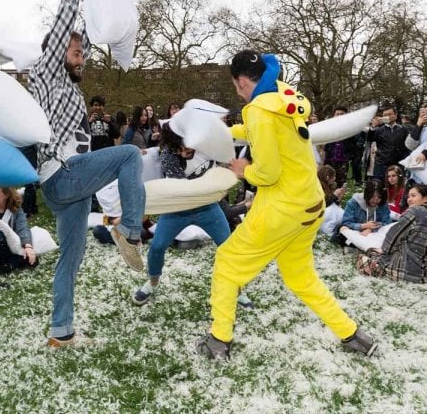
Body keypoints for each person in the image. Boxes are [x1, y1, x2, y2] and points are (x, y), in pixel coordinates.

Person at [198, 50, 377, 360]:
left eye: (235, 86)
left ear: (242, 81)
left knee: (227, 264)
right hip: (310, 204)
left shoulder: (258, 109)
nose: (236, 92)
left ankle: (218, 341)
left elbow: (267, 173)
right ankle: (353, 334)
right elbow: (259, 131)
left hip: (282, 207)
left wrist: (243, 171)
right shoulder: (281, 95)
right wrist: (223, 134)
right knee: (301, 277)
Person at [28, 0, 145, 347]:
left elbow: (93, 35)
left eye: (83, 54)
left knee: (70, 258)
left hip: (68, 187)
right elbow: (65, 19)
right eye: (76, 53)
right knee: (129, 154)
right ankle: (129, 231)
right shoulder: (45, 74)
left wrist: (105, 3)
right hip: (62, 173)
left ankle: (61, 332)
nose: (83, 58)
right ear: (59, 50)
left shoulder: (72, 84)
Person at [131, 123, 252, 308]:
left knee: (228, 246)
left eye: (185, 146)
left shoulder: (209, 148)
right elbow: (186, 191)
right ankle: (153, 281)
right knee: (157, 246)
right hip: (177, 209)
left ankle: (236, 288)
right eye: (176, 148)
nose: (182, 152)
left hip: (207, 208)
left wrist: (232, 168)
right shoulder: (169, 156)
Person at [356, 184, 427, 283]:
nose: (409, 199)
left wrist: (384, 250)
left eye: (413, 196)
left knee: (366, 255)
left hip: (403, 271)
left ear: (425, 198)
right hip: (423, 275)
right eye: (408, 196)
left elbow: (394, 235)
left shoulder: (415, 211)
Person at [366, 106, 410, 180]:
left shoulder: (403, 129)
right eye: (385, 115)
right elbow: (370, 139)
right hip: (382, 163)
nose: (387, 117)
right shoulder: (379, 130)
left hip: (399, 162)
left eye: (390, 114)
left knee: (398, 185)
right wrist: (373, 127)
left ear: (395, 115)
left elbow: (408, 145)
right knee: (380, 184)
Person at [323, 107, 354, 183]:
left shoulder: (351, 127)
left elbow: (353, 142)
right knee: (328, 179)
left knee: (341, 180)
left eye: (342, 114)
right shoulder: (329, 126)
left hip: (343, 159)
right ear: (334, 115)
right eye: (337, 114)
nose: (339, 116)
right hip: (330, 158)